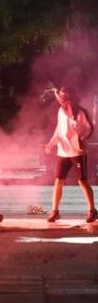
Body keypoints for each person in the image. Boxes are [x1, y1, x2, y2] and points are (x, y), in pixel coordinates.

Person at [44, 86, 97, 223]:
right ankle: (55, 211)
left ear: (70, 98)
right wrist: (51, 143)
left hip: (77, 151)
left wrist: (80, 135)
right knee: (58, 180)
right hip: (63, 152)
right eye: (61, 97)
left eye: (63, 98)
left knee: (82, 180)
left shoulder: (80, 112)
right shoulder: (61, 111)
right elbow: (59, 129)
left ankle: (92, 210)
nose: (61, 100)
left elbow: (89, 129)